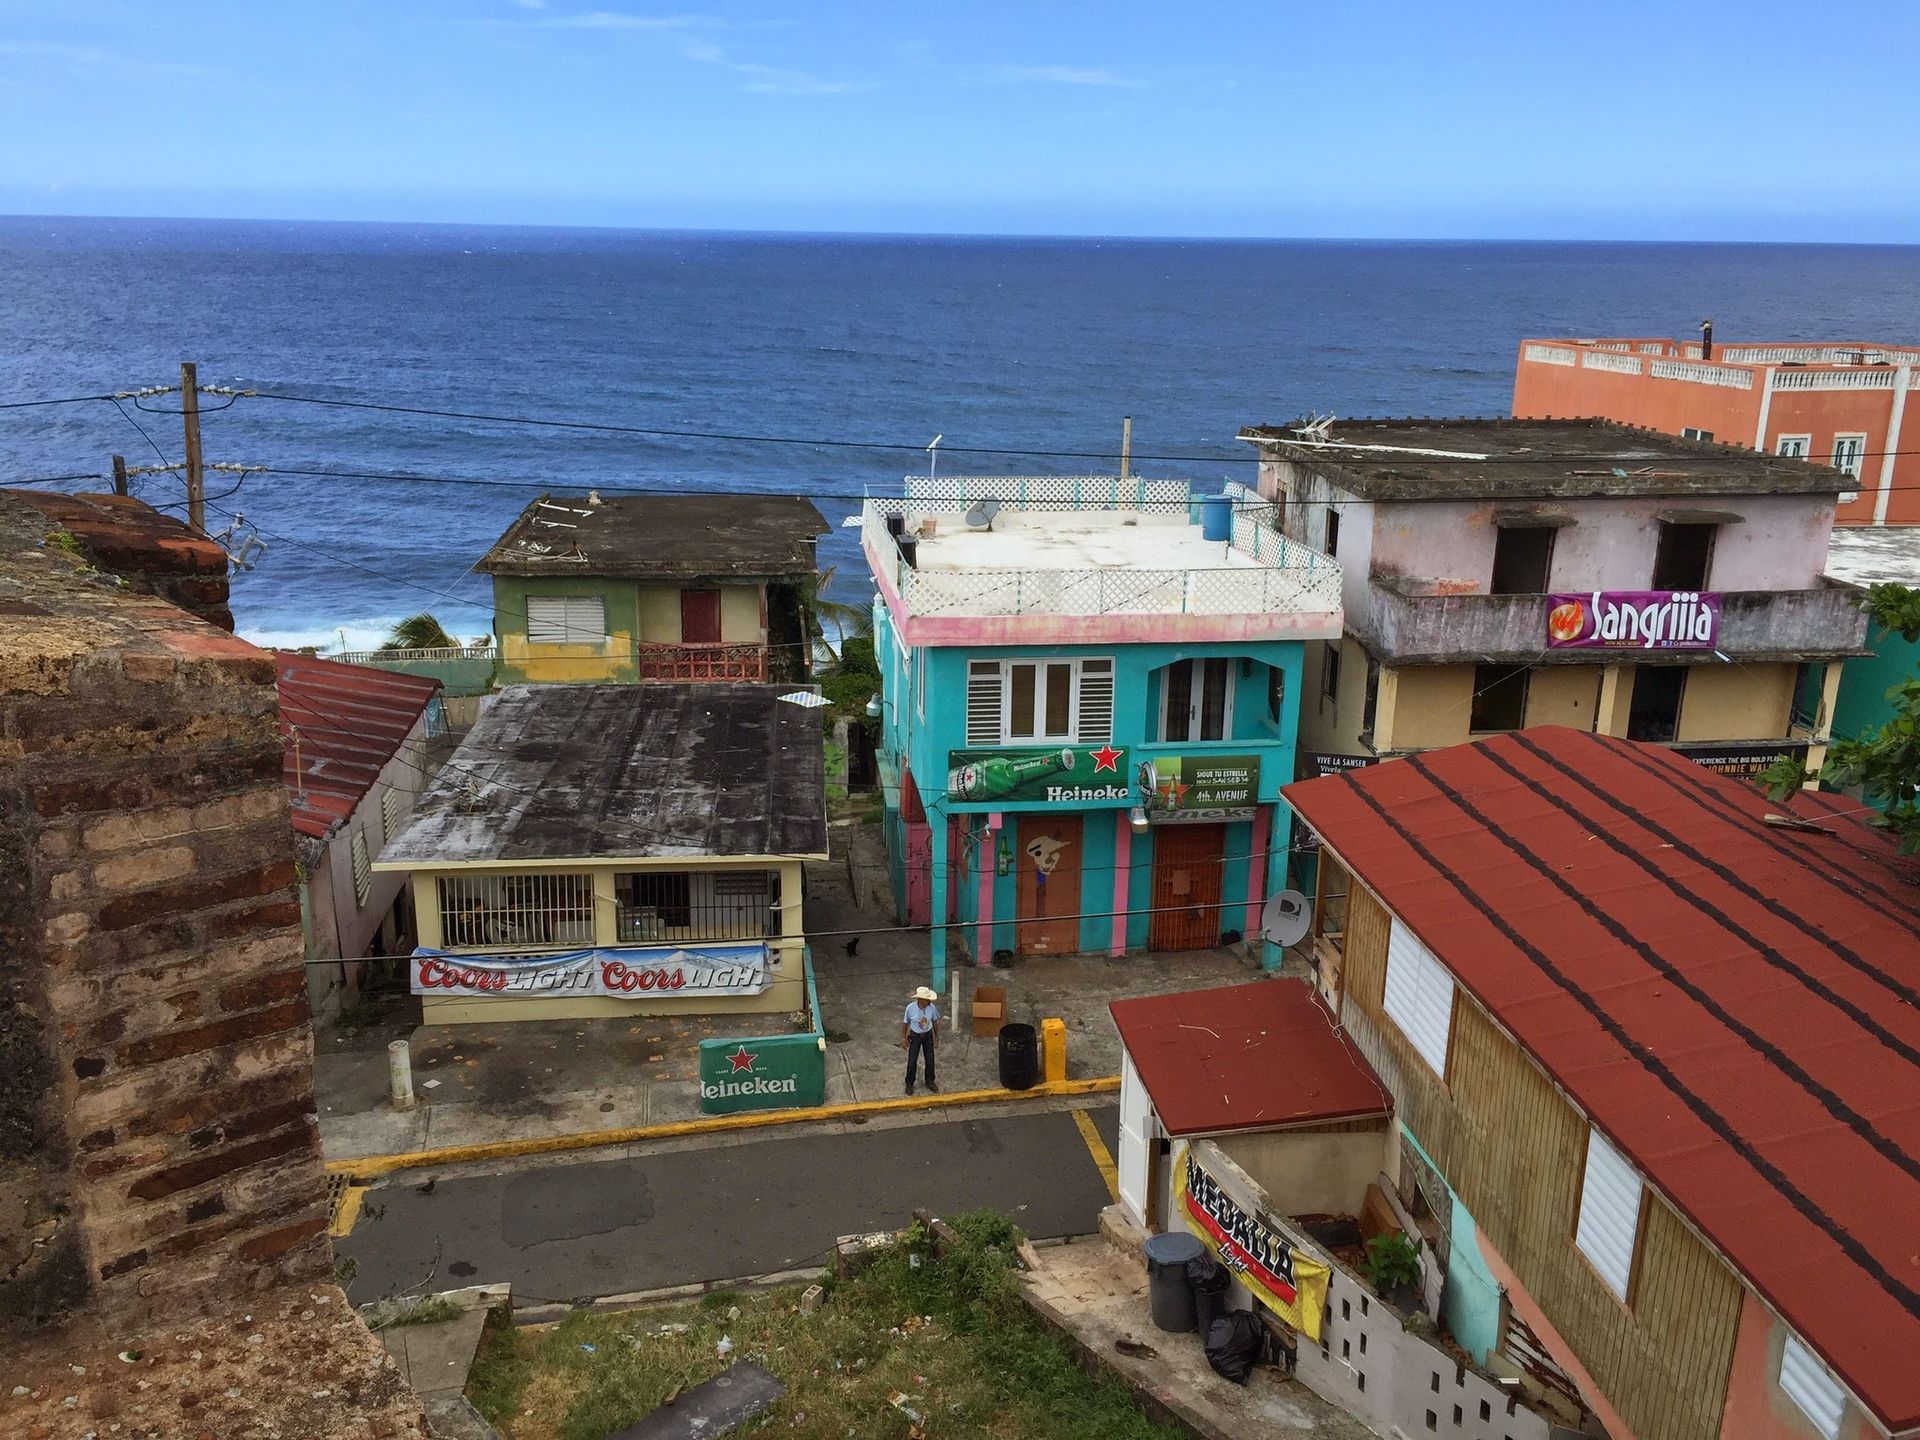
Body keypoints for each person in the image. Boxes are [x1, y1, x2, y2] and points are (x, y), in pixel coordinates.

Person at [902, 984, 940, 1095]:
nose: (928, 1001)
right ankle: (909, 1083)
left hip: (927, 1035)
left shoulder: (931, 1008)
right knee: (912, 1060)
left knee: (930, 1059)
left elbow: (935, 1022)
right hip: (915, 1036)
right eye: (926, 999)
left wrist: (936, 1037)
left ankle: (930, 1081)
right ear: (920, 999)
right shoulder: (910, 1008)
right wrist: (904, 1038)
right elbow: (905, 1023)